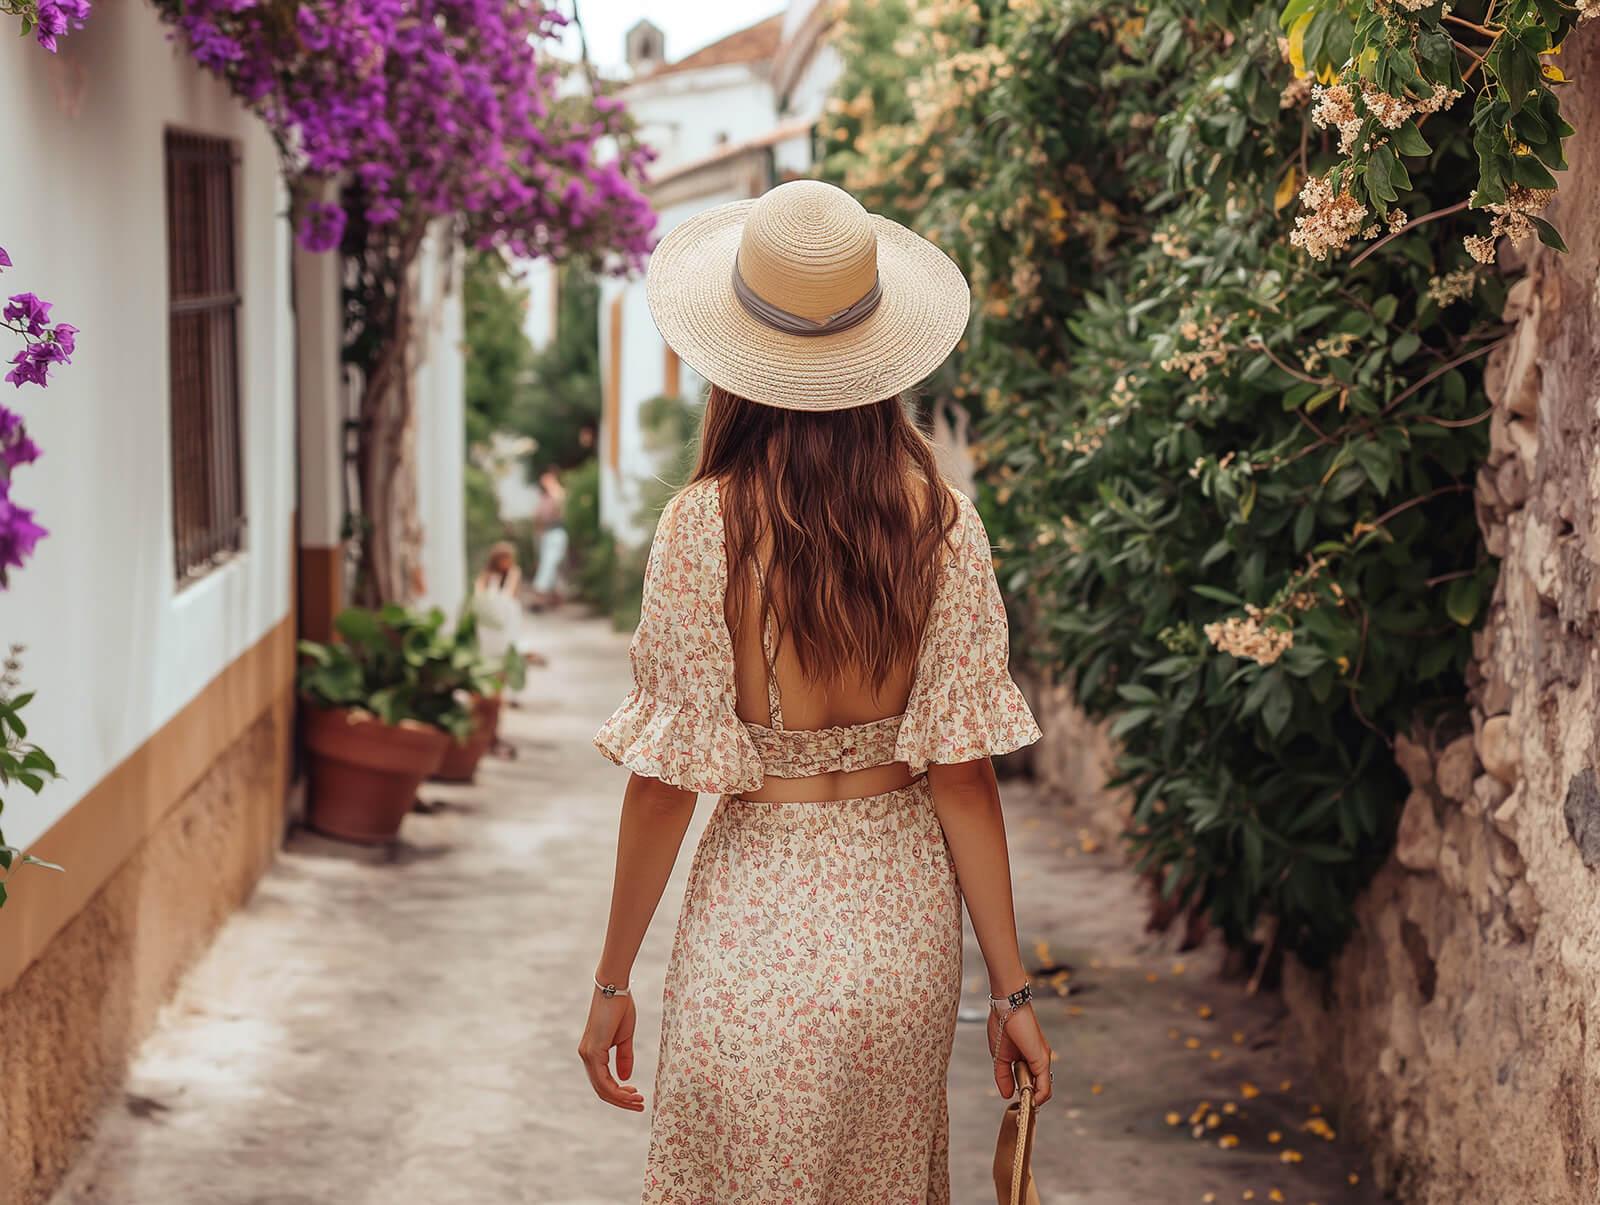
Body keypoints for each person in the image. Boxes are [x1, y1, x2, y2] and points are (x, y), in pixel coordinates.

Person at [578, 180, 1053, 1203]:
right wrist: (1010, 989)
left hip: (756, 928)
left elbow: (665, 786)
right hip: (902, 936)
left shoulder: (703, 527)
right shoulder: (945, 524)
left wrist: (613, 980)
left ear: (734, 361)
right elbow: (963, 784)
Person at [531, 468, 567, 607]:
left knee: (550, 564)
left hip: (556, 533)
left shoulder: (557, 494)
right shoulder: (543, 499)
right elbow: (537, 518)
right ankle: (552, 597)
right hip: (545, 534)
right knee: (549, 565)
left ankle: (540, 595)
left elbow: (560, 503)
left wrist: (552, 486)